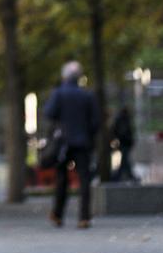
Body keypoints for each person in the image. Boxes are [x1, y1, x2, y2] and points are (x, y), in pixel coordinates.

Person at [43, 60, 99, 229]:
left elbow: (49, 113)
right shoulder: (87, 95)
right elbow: (95, 121)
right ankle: (84, 217)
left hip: (63, 143)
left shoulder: (59, 93)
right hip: (82, 142)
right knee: (84, 179)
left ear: (64, 76)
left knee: (62, 179)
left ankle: (58, 214)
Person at [111, 106, 137, 182]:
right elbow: (123, 132)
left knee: (124, 160)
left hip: (124, 143)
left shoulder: (119, 119)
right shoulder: (123, 119)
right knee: (124, 160)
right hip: (124, 143)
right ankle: (125, 176)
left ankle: (118, 176)